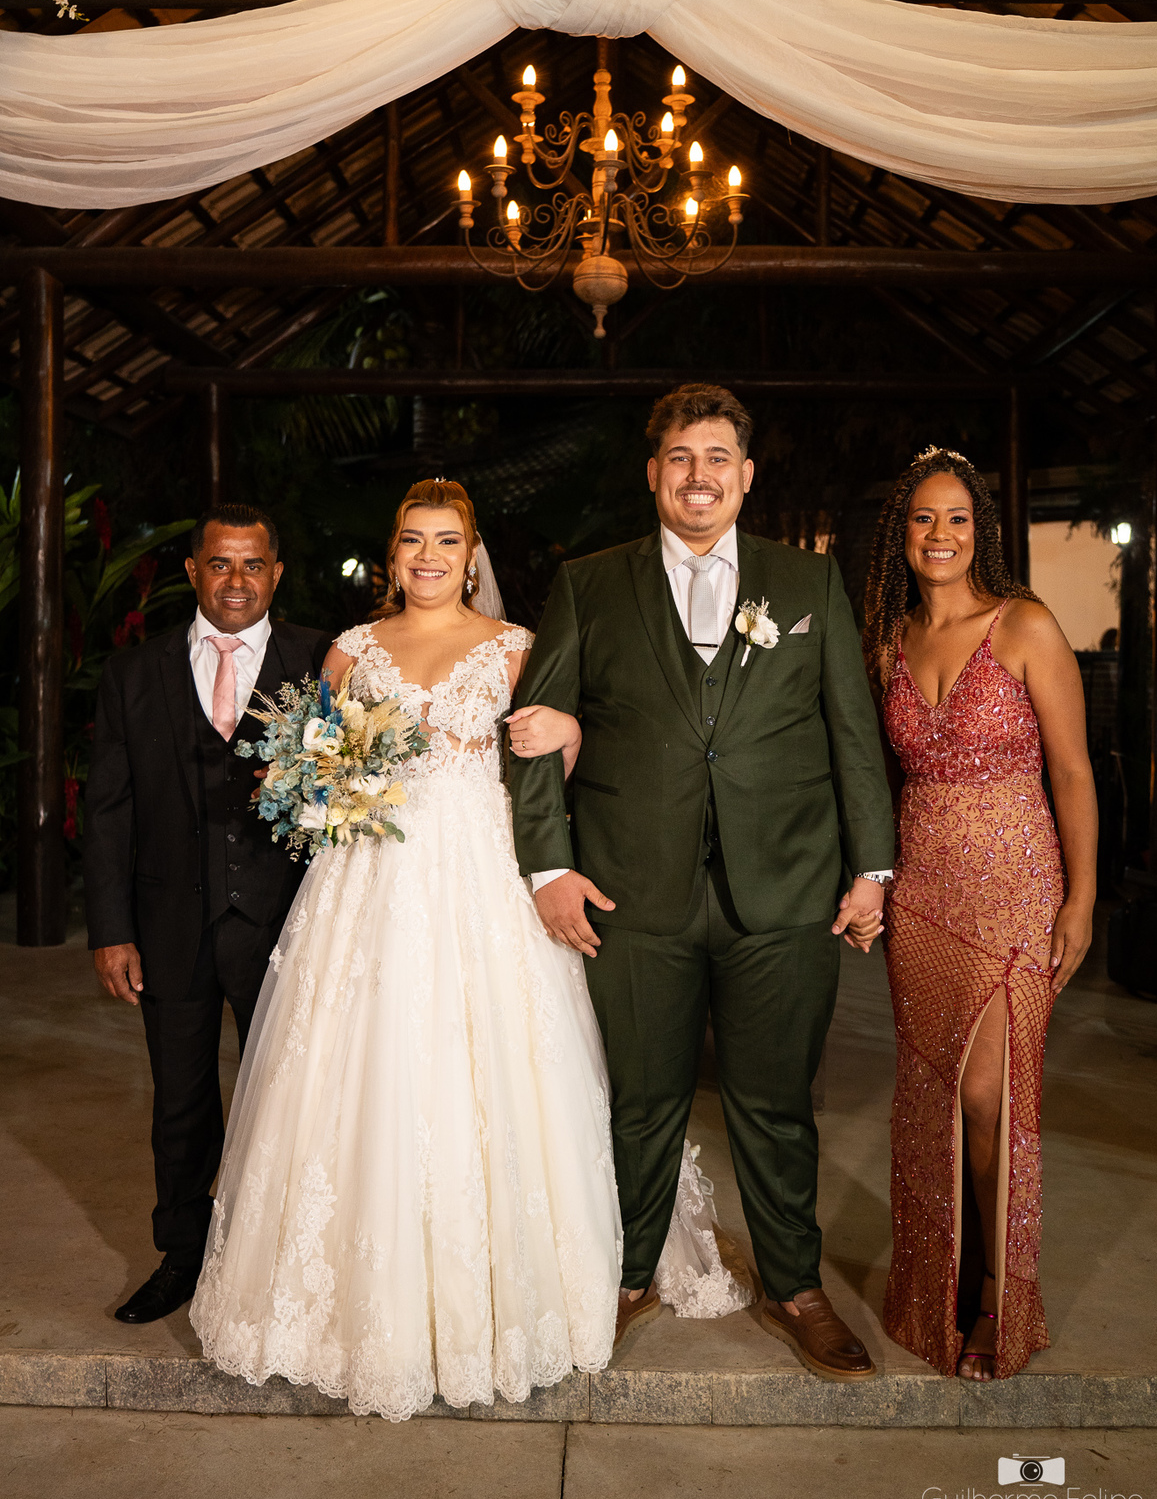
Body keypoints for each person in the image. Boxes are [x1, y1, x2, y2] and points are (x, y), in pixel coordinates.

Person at [190, 479, 746, 1421]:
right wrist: (324, 784)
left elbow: (577, 752)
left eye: (447, 541)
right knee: (362, 1073)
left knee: (501, 1070)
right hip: (372, 880)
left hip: (487, 878)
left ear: (471, 553)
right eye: (413, 540)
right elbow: (310, 762)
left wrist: (569, 728)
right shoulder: (352, 649)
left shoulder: (517, 646)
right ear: (393, 553)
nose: (430, 557)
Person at [508, 383, 895, 1378]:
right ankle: (627, 1277)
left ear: (747, 475)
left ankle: (796, 1287)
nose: (699, 476)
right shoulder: (591, 584)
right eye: (681, 457)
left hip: (787, 889)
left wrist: (872, 867)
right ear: (653, 473)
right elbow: (534, 734)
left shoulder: (806, 582)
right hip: (632, 892)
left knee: (777, 1103)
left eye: (718, 457)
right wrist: (548, 867)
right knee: (639, 1102)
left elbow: (852, 730)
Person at [861, 448, 1097, 1383]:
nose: (941, 534)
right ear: (902, 532)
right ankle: (937, 1288)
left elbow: (1072, 771)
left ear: (980, 531)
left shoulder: (1025, 625)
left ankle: (1001, 1291)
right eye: (924, 518)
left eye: (957, 518)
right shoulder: (890, 640)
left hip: (1016, 888)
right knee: (932, 1093)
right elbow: (881, 778)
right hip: (923, 894)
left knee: (989, 1096)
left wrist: (1082, 899)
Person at [84, 505, 330, 1325]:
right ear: (193, 571)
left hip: (287, 925)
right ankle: (182, 1257)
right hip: (169, 925)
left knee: (290, 1099)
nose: (237, 580)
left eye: (253, 564)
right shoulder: (133, 673)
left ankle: (278, 1263)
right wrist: (112, 929)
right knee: (180, 1101)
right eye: (220, 564)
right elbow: (109, 810)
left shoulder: (319, 660)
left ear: (277, 573)